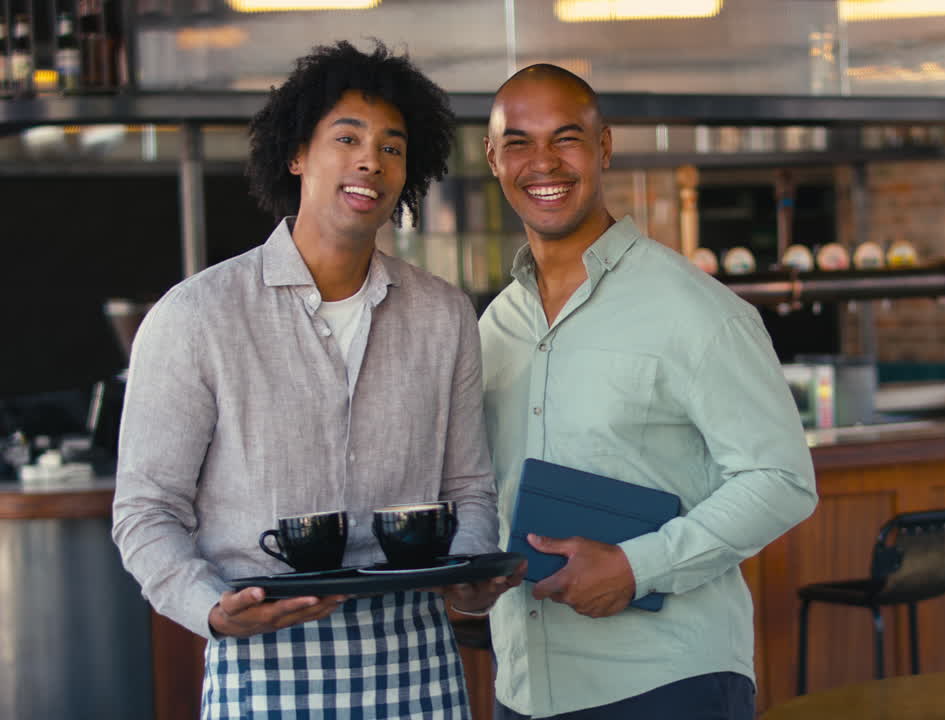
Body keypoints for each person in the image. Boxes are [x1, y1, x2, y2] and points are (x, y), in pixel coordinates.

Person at [112, 40, 519, 718]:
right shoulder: (198, 315)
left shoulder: (443, 314)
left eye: (393, 146)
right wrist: (209, 608)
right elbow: (146, 509)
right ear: (297, 154)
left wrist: (469, 574)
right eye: (348, 137)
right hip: (265, 656)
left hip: (411, 651)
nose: (371, 160)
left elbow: (468, 488)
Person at [478, 64, 819, 719]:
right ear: (494, 158)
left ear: (604, 147)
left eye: (566, 138)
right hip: (523, 687)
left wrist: (640, 567)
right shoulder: (496, 325)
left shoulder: (696, 310)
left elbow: (781, 478)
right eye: (518, 142)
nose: (542, 162)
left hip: (666, 685)